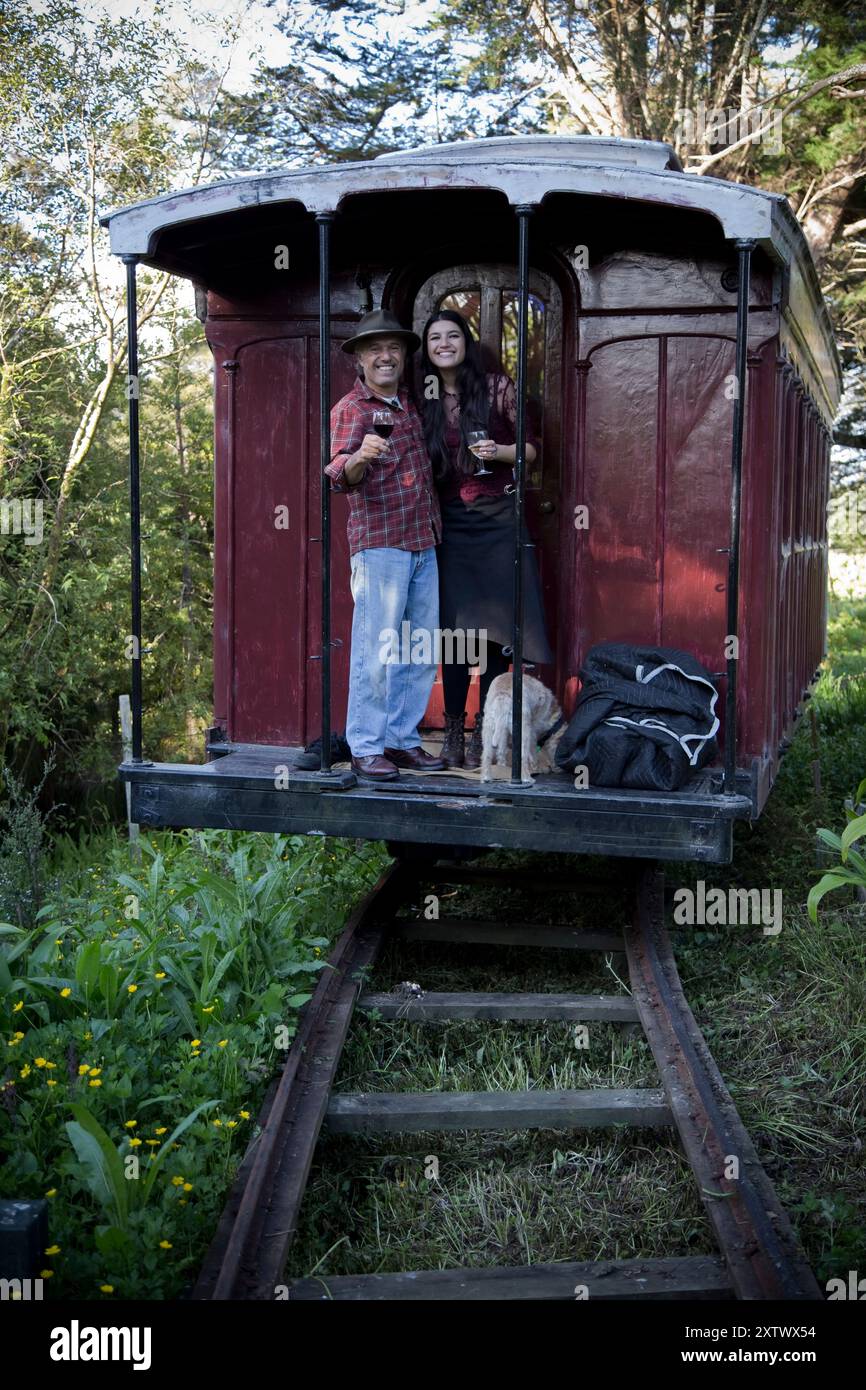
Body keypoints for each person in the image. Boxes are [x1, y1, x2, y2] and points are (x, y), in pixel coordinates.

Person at [421, 309, 553, 769]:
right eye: (435, 337)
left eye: (452, 335)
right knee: (456, 634)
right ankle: (454, 729)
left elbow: (533, 448)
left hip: (498, 520)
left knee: (496, 636)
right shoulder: (423, 395)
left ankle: (485, 728)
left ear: (466, 341)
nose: (443, 344)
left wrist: (498, 452)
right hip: (451, 523)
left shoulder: (497, 386)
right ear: (427, 347)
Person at [326, 309, 447, 782]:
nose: (385, 356)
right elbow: (340, 477)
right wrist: (358, 458)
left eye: (393, 348)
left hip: (424, 541)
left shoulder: (410, 405)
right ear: (358, 357)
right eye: (374, 348)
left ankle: (400, 740)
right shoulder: (351, 409)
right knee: (377, 650)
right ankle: (366, 745)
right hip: (380, 548)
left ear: (402, 356)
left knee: (419, 647)